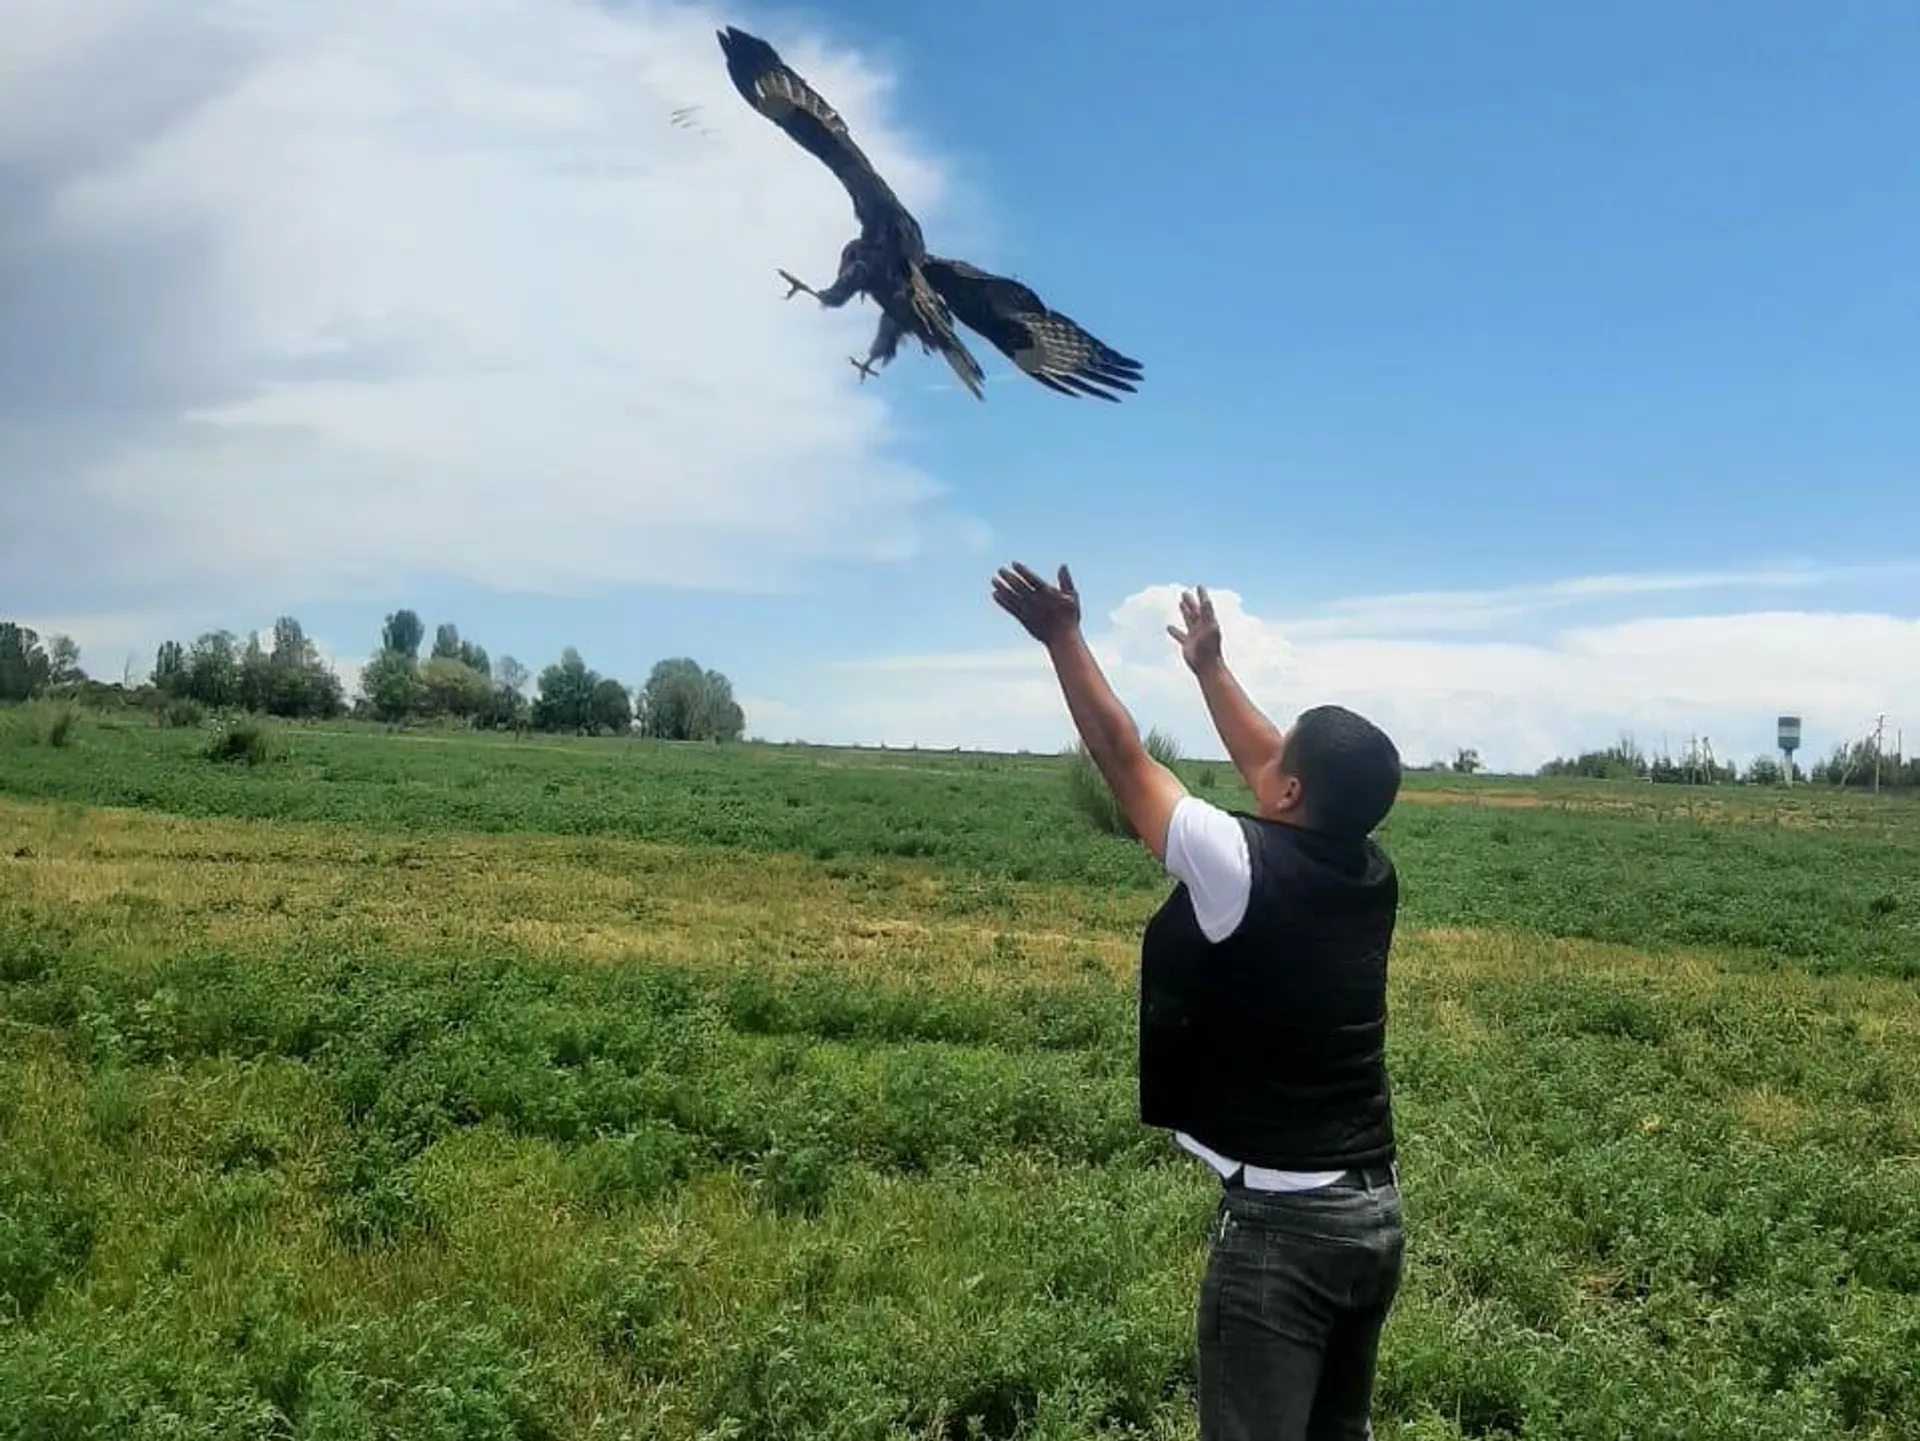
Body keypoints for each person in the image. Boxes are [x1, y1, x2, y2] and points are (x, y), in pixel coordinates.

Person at [991, 561, 1406, 1441]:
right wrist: (1210, 667)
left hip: (1285, 1232)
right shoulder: (1369, 869)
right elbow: (1273, 766)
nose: (1265, 758)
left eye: (1281, 758)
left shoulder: (1239, 865)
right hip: (1371, 1212)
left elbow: (1124, 758)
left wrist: (1063, 638)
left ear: (1291, 793)